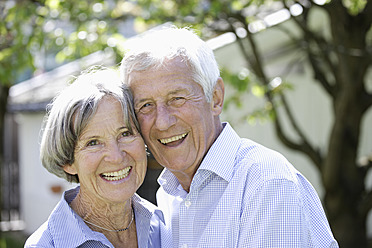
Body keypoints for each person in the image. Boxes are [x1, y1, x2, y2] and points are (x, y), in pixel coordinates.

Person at [120, 27, 339, 247]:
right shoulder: (170, 195)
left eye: (177, 98)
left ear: (215, 98)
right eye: (146, 105)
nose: (163, 122)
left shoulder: (266, 182)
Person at [24, 67, 162, 248]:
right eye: (93, 142)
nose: (116, 157)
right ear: (68, 161)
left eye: (125, 133)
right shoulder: (46, 245)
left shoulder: (165, 225)